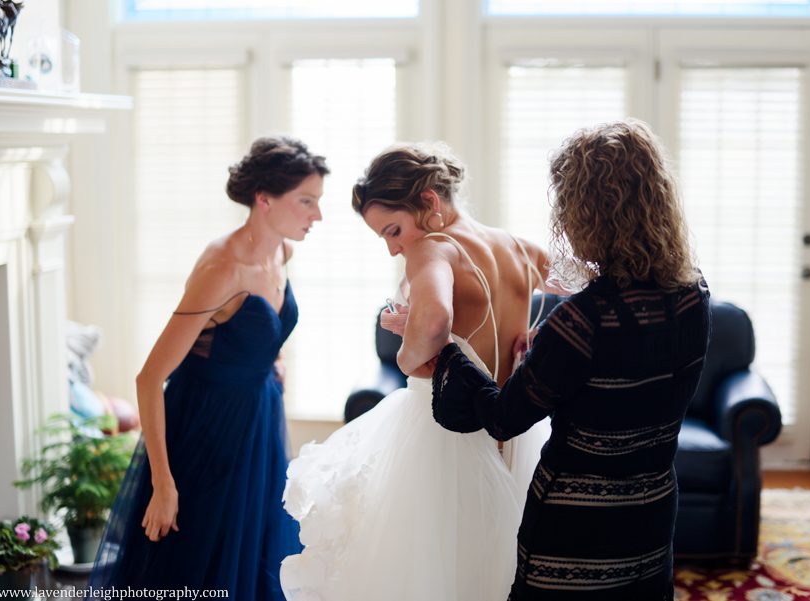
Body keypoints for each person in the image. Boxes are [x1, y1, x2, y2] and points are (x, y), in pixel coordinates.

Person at [431, 119, 711, 600]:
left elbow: (503, 418)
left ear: (587, 214)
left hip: (575, 530)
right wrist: (547, 357)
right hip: (653, 514)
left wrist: (452, 354)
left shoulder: (580, 321)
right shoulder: (692, 295)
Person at [279, 142, 551, 601]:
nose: (393, 249)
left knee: (433, 569)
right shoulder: (517, 247)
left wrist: (409, 349)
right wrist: (539, 335)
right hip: (513, 437)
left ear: (428, 200)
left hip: (448, 433)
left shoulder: (433, 250)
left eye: (393, 230)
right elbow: (582, 285)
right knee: (495, 562)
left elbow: (433, 326)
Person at [88, 136, 328, 599]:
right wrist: (163, 483)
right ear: (264, 199)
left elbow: (263, 328)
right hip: (206, 426)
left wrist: (271, 359)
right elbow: (149, 378)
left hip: (257, 418)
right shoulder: (223, 269)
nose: (316, 215)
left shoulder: (283, 252)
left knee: (252, 544)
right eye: (306, 201)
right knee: (198, 558)